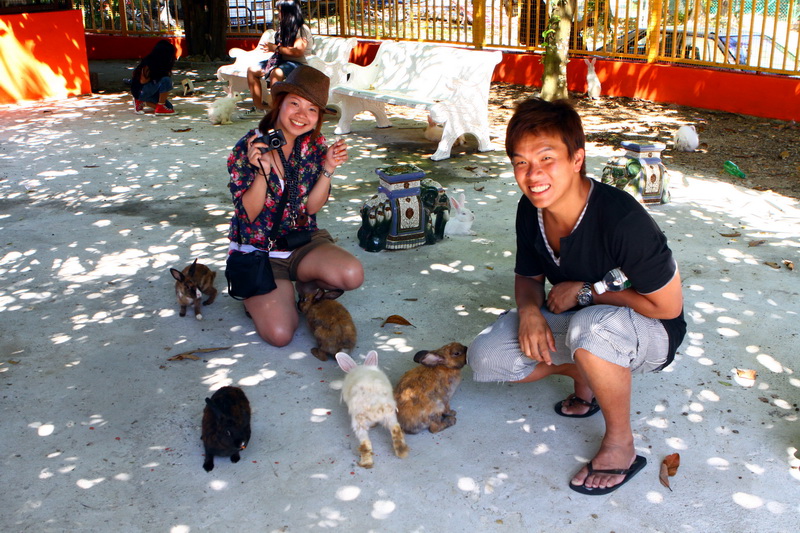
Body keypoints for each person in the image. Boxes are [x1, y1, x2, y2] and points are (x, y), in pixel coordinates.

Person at [468, 98, 686, 495]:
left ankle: (621, 443)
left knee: (591, 328)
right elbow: (528, 277)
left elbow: (668, 307)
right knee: (486, 356)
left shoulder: (622, 219)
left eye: (546, 158)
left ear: (576, 159)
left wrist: (589, 292)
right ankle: (584, 373)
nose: (533, 174)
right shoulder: (530, 209)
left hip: (652, 331)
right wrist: (529, 312)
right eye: (521, 162)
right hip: (584, 322)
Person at [227, 65, 363, 347]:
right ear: (279, 103)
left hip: (301, 242)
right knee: (280, 335)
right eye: (295, 104)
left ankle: (303, 284)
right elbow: (249, 215)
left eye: (312, 109)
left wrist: (328, 168)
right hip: (260, 253)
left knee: (352, 274)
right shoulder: (250, 145)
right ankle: (264, 297)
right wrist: (262, 173)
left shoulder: (313, 145)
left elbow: (311, 209)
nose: (302, 115)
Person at [245, 0, 313, 114]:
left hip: (298, 63)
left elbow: (298, 52)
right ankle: (259, 108)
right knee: (252, 70)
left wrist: (275, 48)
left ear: (289, 12)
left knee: (276, 73)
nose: (278, 14)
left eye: (280, 11)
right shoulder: (283, 27)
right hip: (281, 61)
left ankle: (276, 110)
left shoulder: (301, 29)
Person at [130, 39, 177, 115]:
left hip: (152, 91)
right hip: (141, 90)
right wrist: (156, 77)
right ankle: (160, 106)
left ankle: (143, 102)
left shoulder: (162, 64)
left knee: (169, 107)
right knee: (166, 80)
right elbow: (143, 81)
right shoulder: (149, 63)